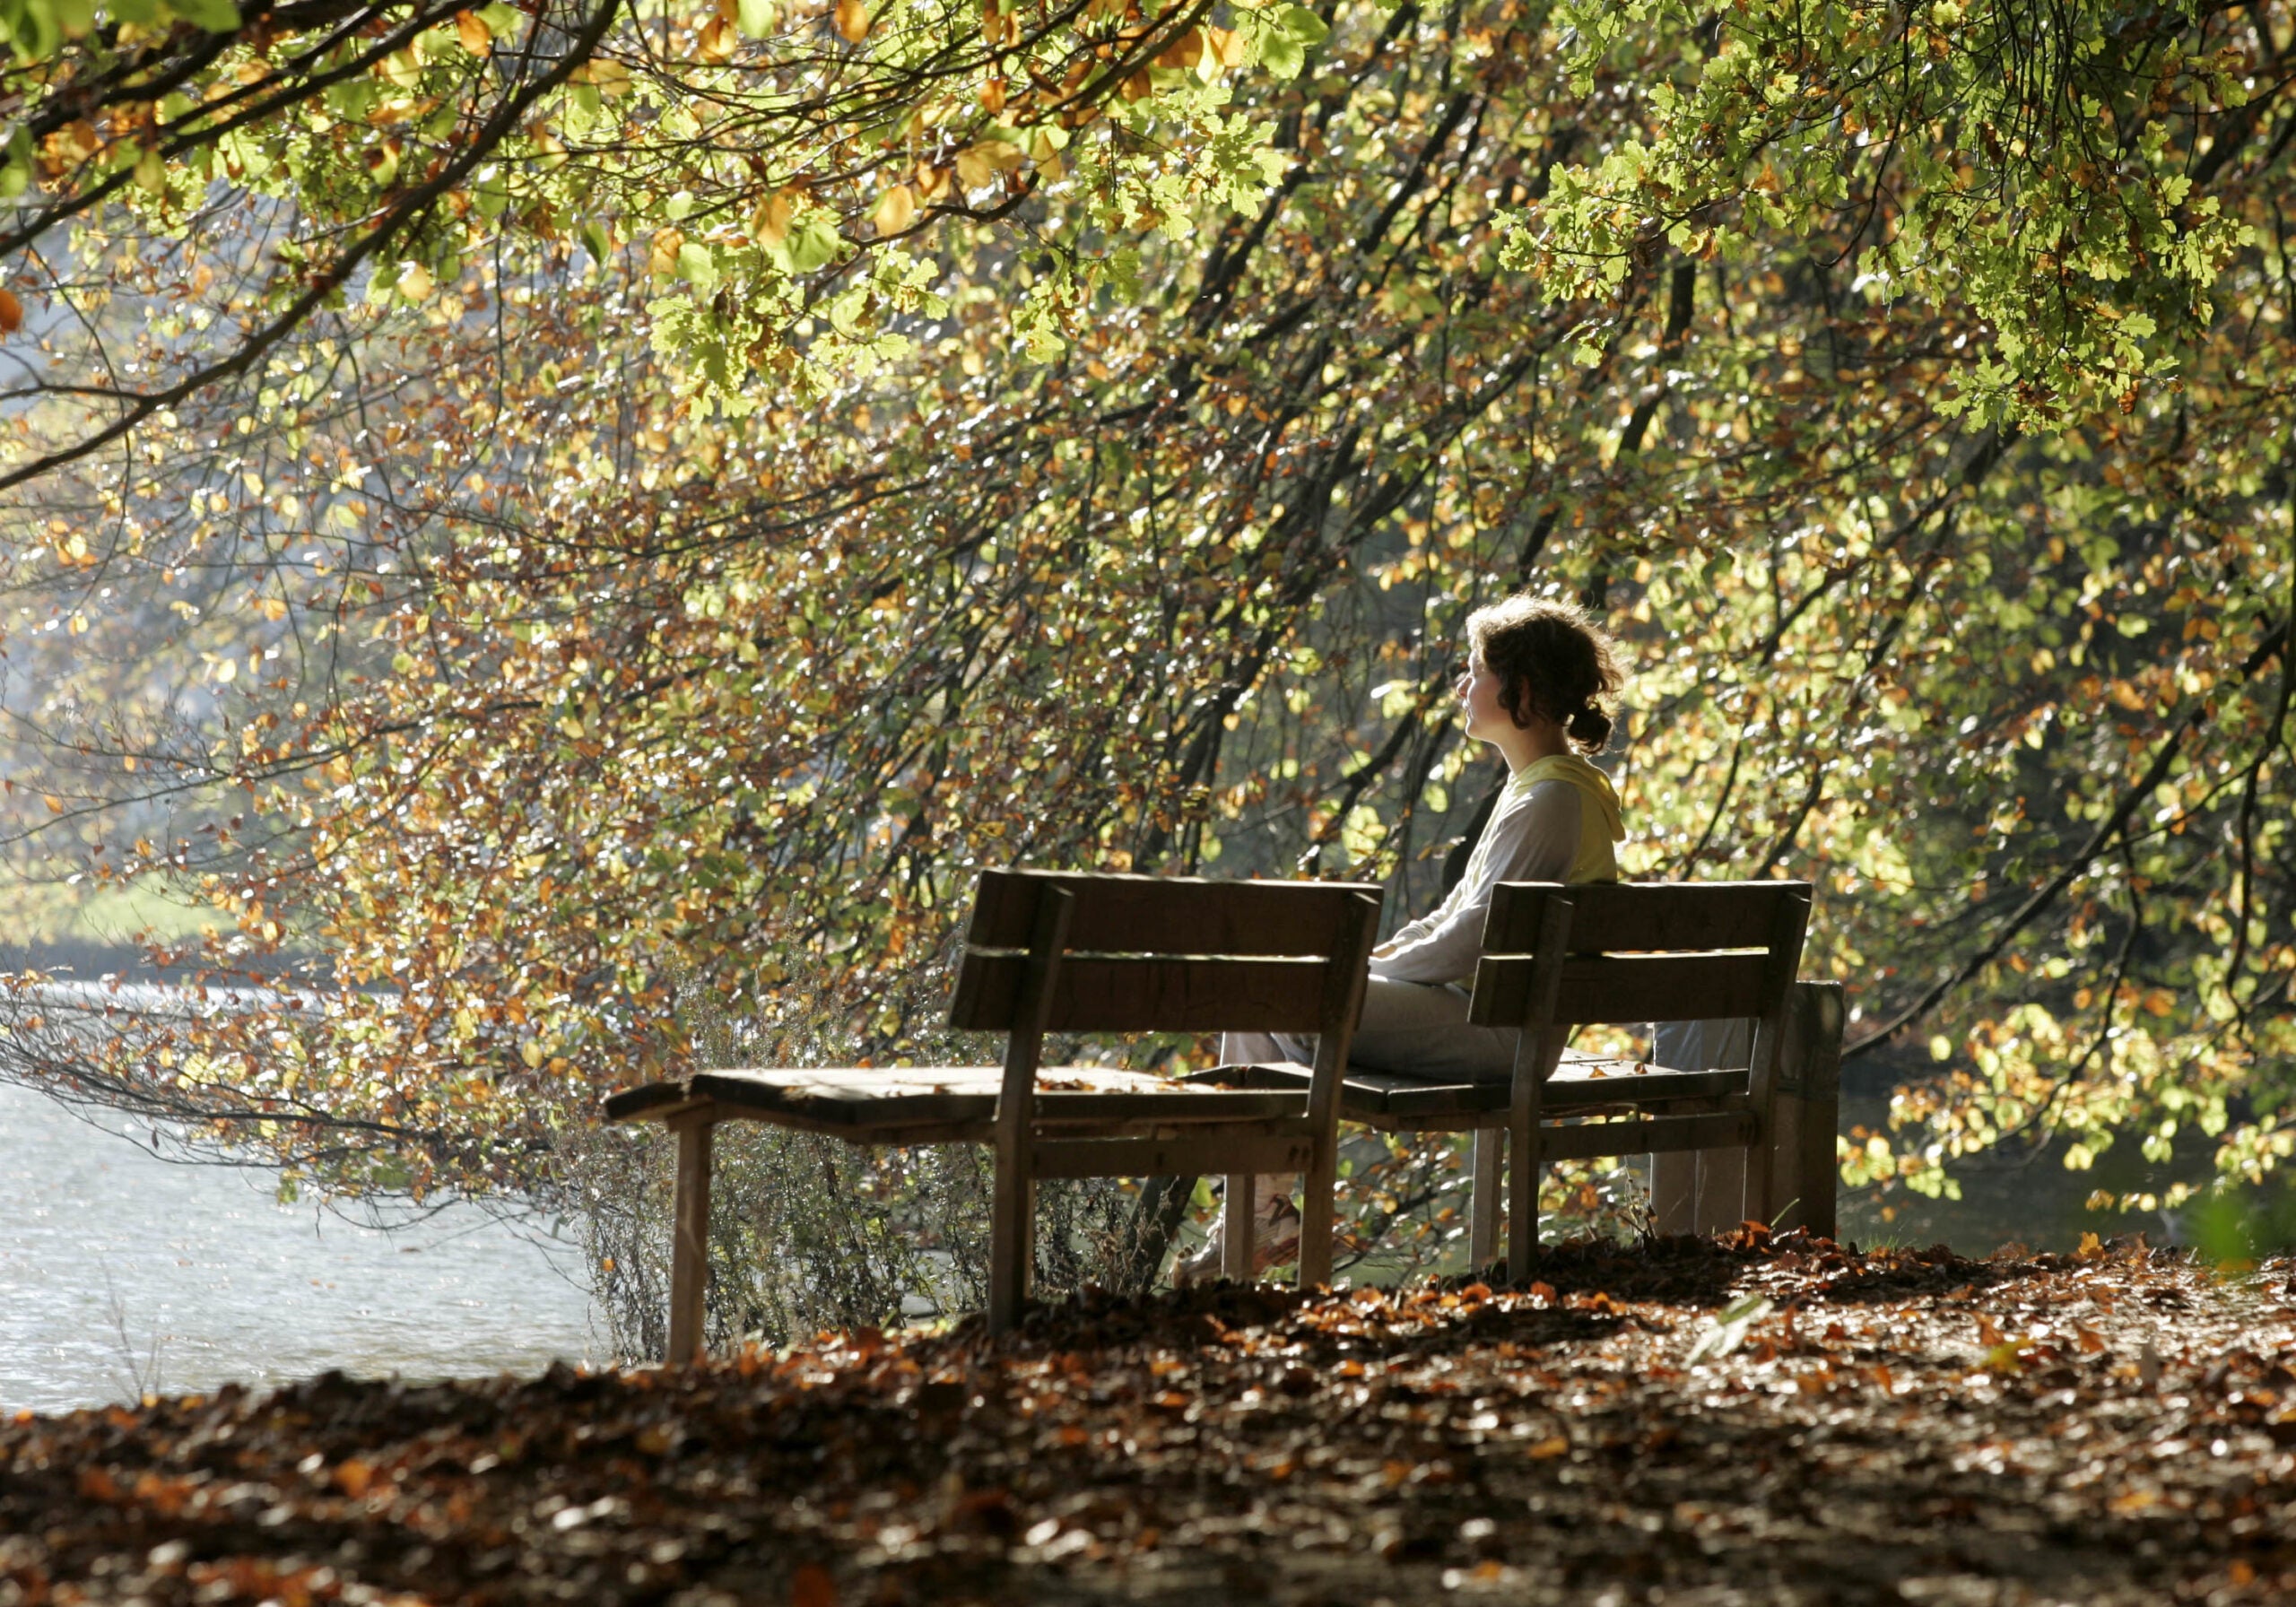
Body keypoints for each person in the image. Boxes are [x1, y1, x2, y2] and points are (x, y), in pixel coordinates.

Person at [1174, 594, 1627, 1282]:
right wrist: (1365, 963)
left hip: (1503, 1034)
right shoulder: (1540, 791)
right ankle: (1261, 1216)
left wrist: (1351, 976)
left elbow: (1466, 944)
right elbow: (1452, 923)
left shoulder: (1552, 802)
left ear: (1522, 690)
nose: (1462, 685)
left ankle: (1259, 1218)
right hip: (1485, 1017)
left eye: (1475, 670)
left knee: (1280, 995)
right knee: (1275, 990)